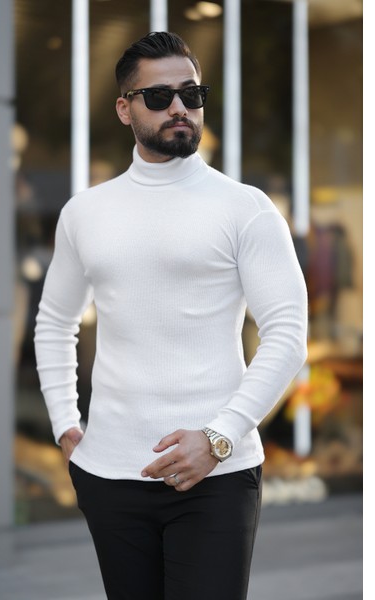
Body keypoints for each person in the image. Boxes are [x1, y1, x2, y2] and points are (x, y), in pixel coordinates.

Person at [34, 31, 308, 600]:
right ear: (124, 108)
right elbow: (54, 322)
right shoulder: (86, 212)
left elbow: (287, 336)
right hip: (110, 475)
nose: (180, 107)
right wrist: (65, 424)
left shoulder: (247, 209)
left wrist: (219, 437)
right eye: (159, 97)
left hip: (218, 476)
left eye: (192, 93)